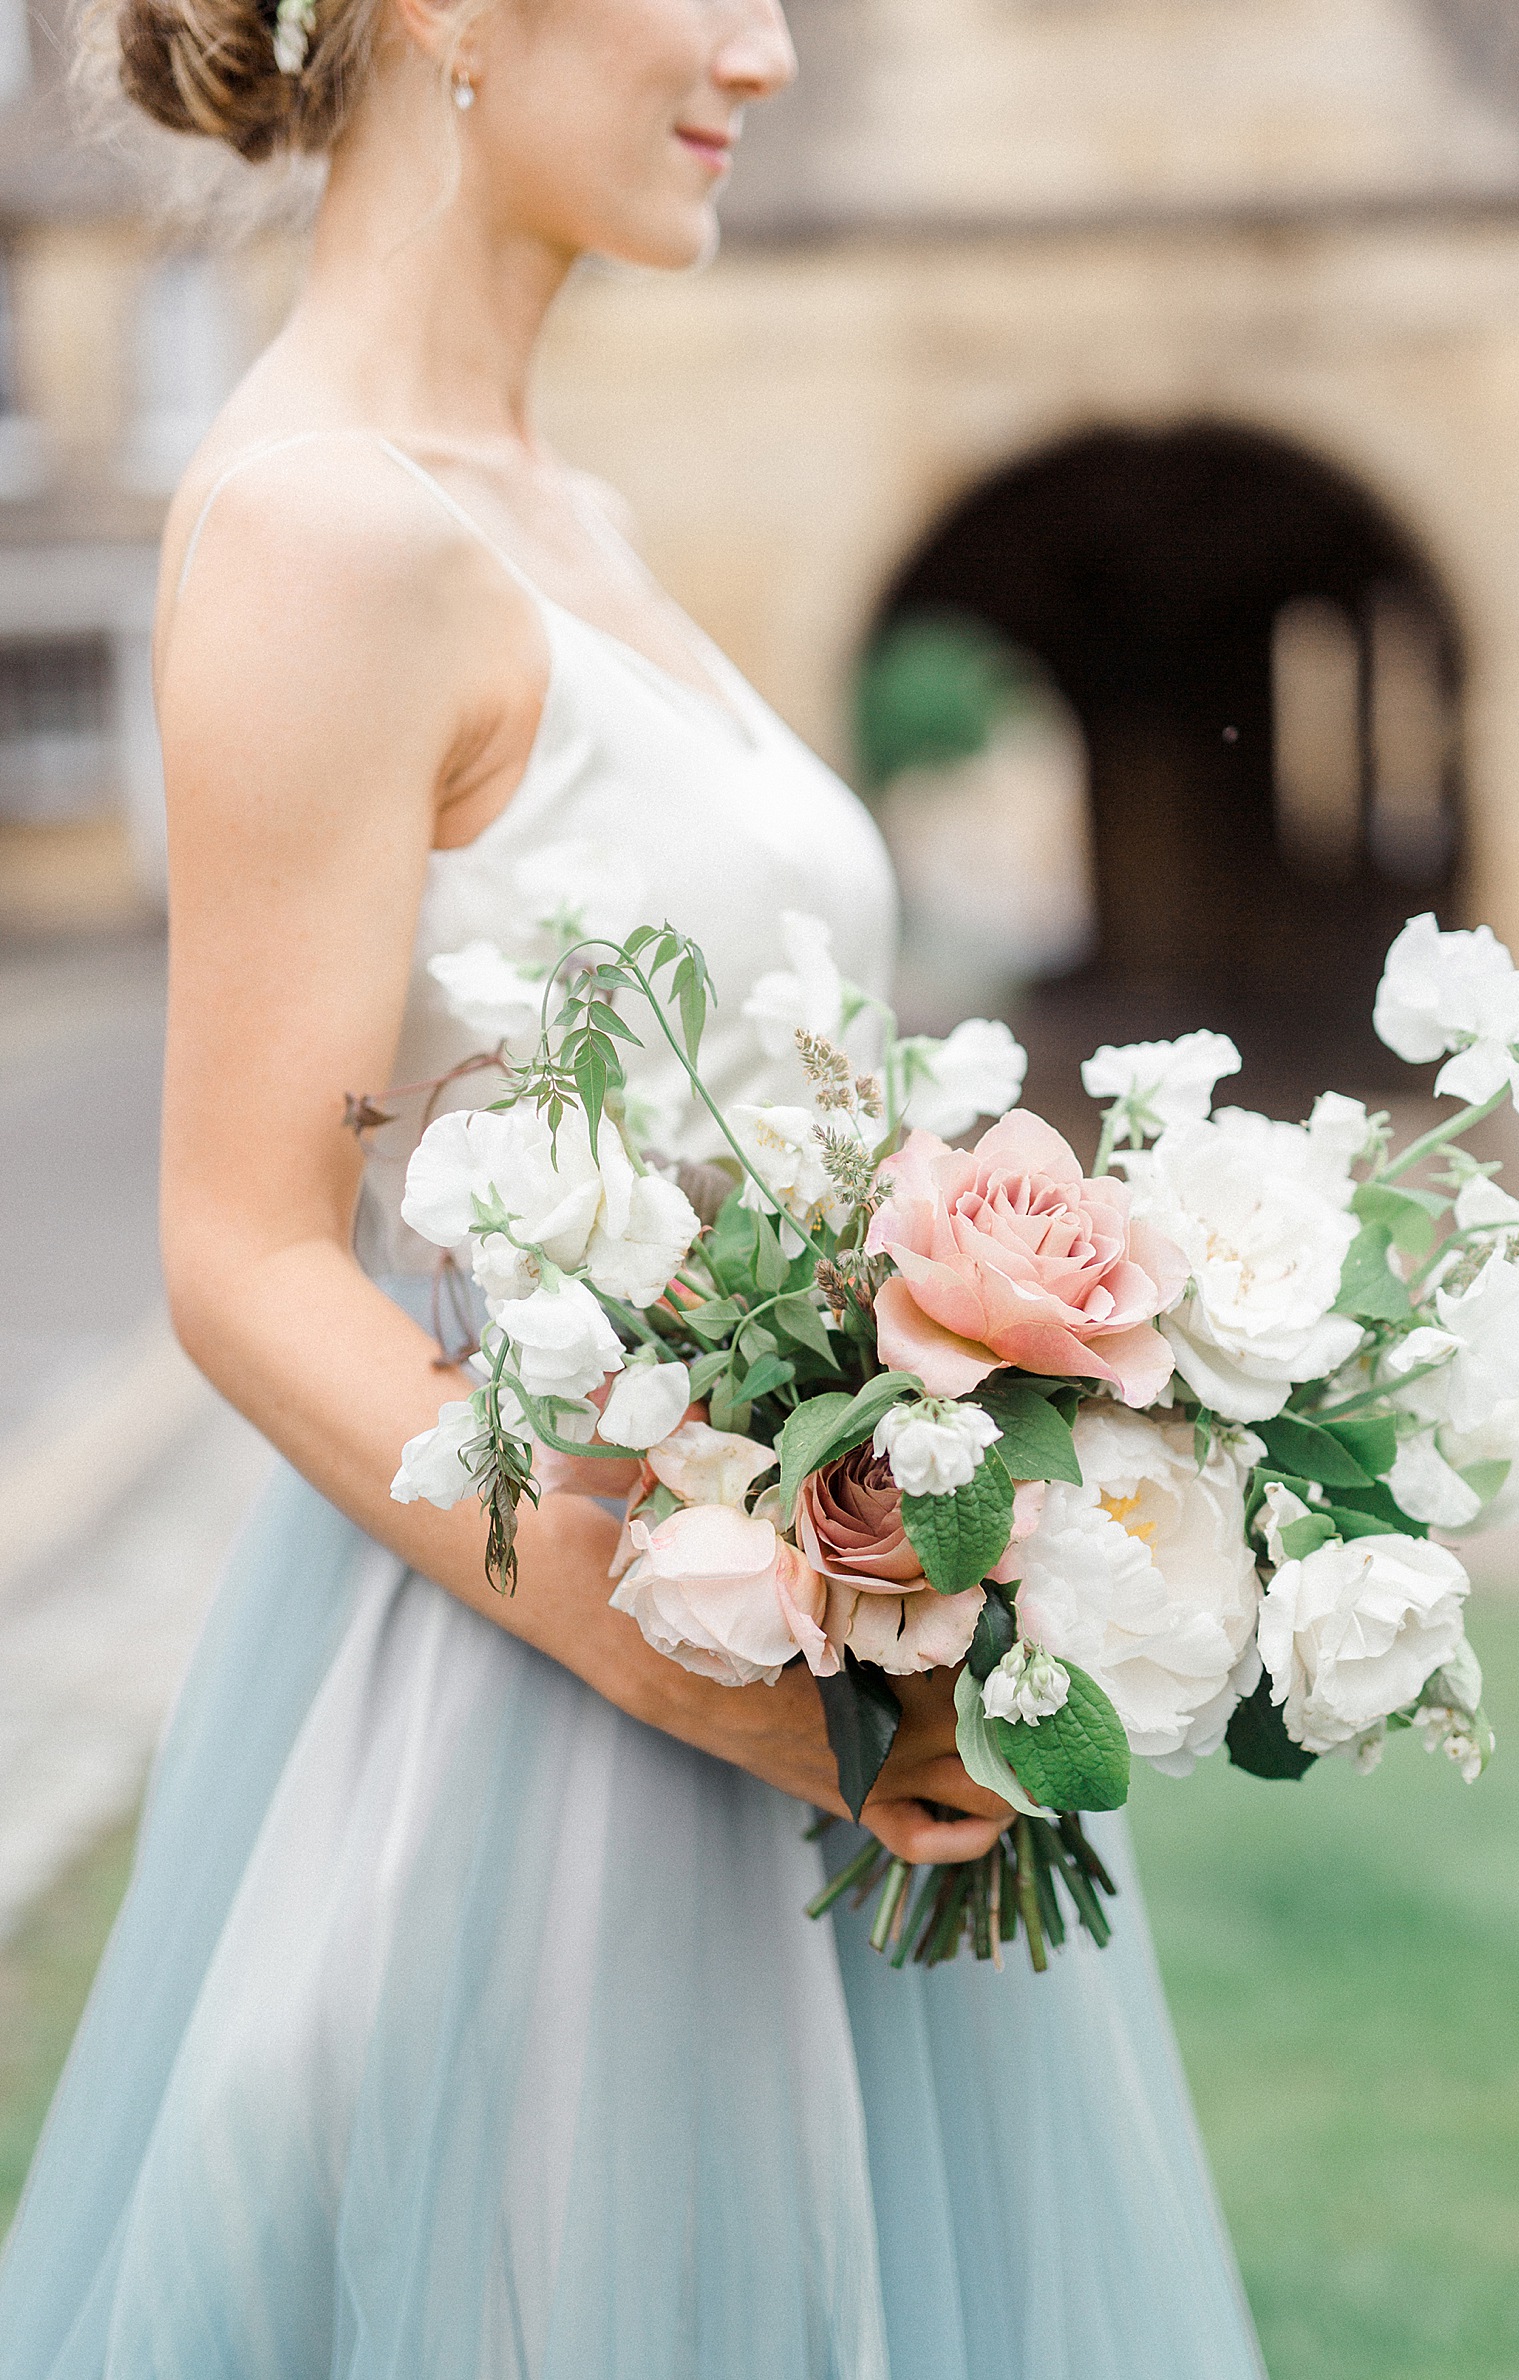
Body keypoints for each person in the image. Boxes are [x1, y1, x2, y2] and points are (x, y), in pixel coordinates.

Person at [0, 0, 1267, 2371]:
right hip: (553, 1716)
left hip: (816, 1632)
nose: (770, 56)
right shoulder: (318, 524)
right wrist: (762, 1700)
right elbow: (246, 1247)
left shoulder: (571, 519)